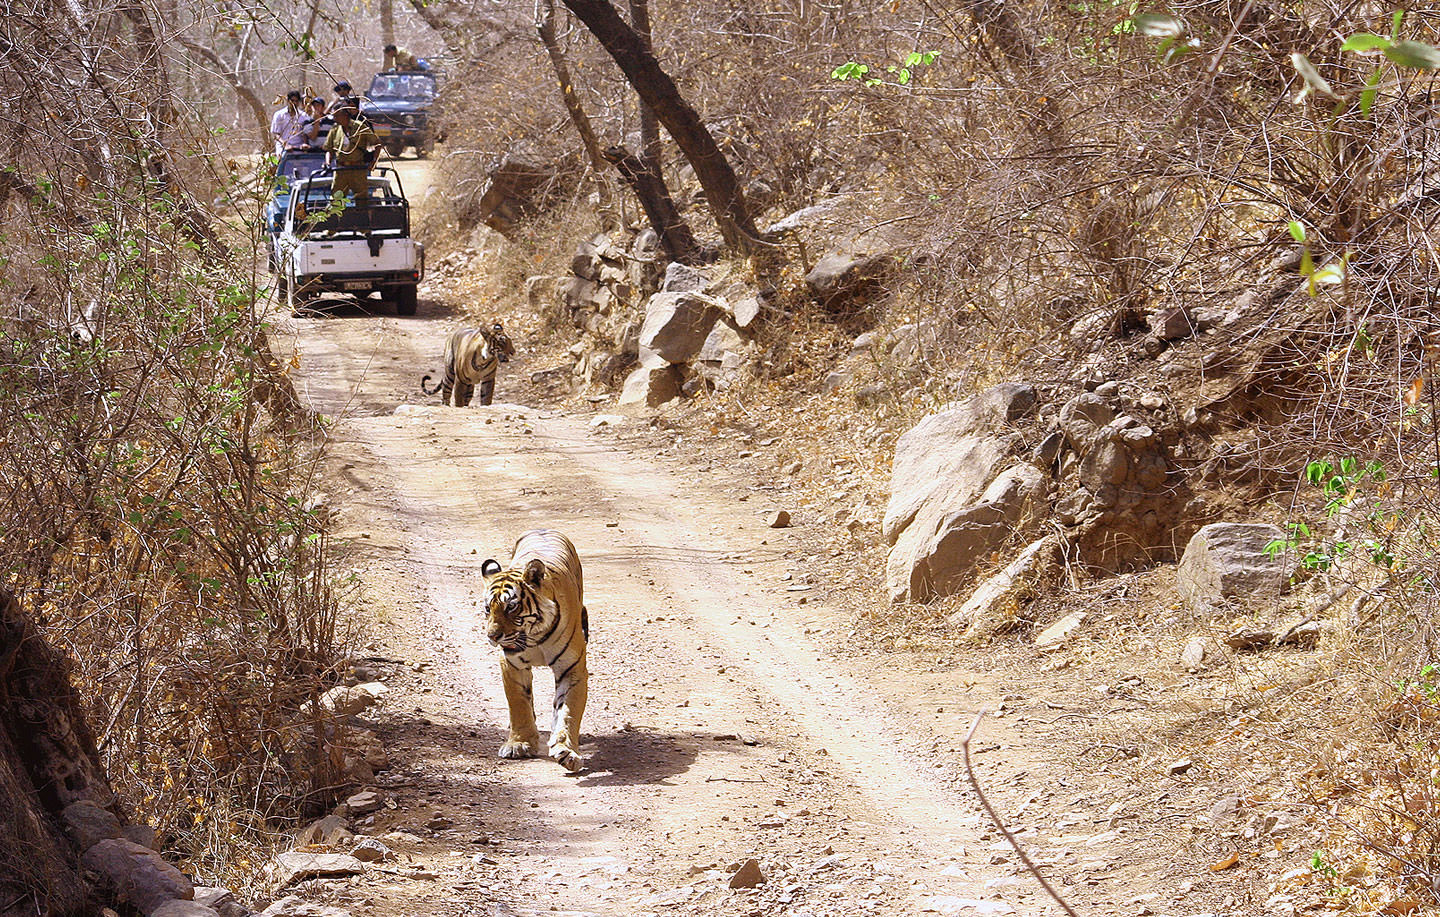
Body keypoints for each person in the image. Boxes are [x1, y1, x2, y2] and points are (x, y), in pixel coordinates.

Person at [324, 104, 380, 206]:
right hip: (340, 170)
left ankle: (362, 220)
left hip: (358, 169)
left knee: (362, 200)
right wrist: (327, 163)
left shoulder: (360, 127)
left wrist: (374, 162)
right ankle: (338, 221)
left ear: (345, 115)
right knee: (336, 201)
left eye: (337, 116)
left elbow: (377, 144)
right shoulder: (335, 129)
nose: (335, 119)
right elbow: (329, 149)